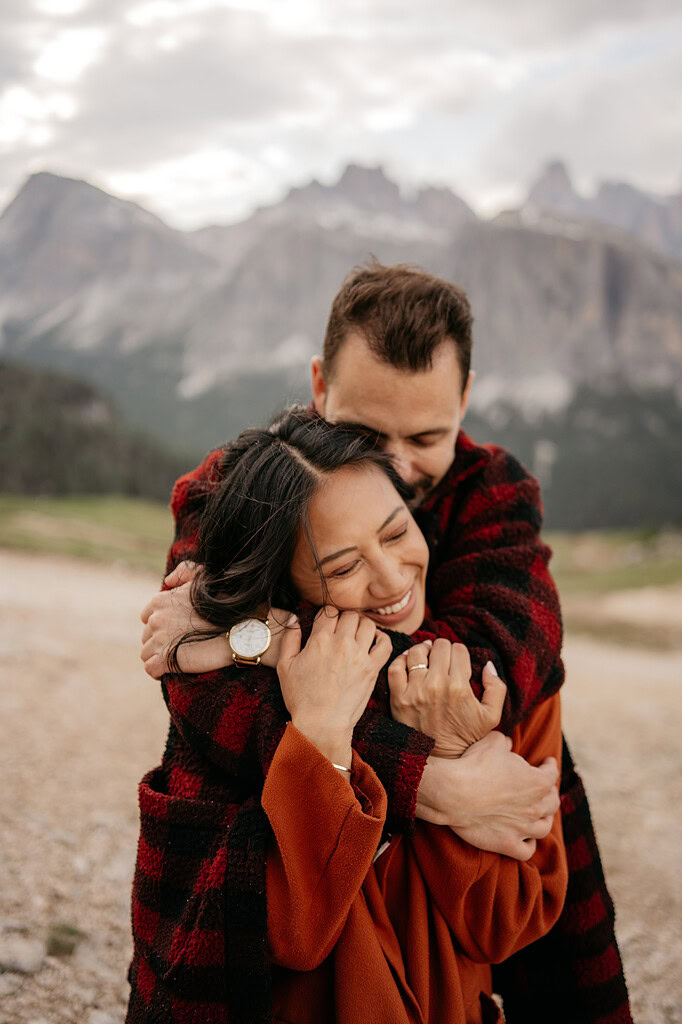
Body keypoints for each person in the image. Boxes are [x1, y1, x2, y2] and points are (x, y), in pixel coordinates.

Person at [140, 262, 631, 1024]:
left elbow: (491, 669)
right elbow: (210, 702)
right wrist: (435, 782)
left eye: (428, 435)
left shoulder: (493, 491)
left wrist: (270, 644)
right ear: (319, 386)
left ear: (465, 401)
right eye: (368, 436)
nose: (399, 468)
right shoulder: (246, 492)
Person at [127, 409, 568, 1024]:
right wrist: (323, 735)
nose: (390, 579)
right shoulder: (244, 701)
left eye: (395, 533)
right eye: (341, 568)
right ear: (288, 583)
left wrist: (444, 748)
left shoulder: (496, 672)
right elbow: (290, 934)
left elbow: (505, 923)